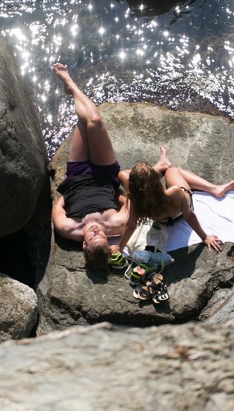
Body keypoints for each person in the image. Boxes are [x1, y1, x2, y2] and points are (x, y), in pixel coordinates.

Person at [51, 63, 165, 269]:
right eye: (102, 236)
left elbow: (58, 205)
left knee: (83, 121)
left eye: (93, 237)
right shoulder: (117, 225)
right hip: (104, 173)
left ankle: (72, 90)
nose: (97, 232)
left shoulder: (66, 228)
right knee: (94, 120)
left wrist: (69, 194)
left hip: (76, 174)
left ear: (84, 244)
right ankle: (71, 85)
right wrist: (116, 195)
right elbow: (131, 202)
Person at [110, 147, 234, 257]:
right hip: (179, 212)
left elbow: (130, 226)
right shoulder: (174, 192)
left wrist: (120, 248)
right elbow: (189, 216)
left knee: (122, 174)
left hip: (161, 220)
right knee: (172, 171)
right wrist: (204, 237)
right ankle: (214, 189)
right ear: (156, 181)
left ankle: (161, 165)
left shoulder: (136, 201)